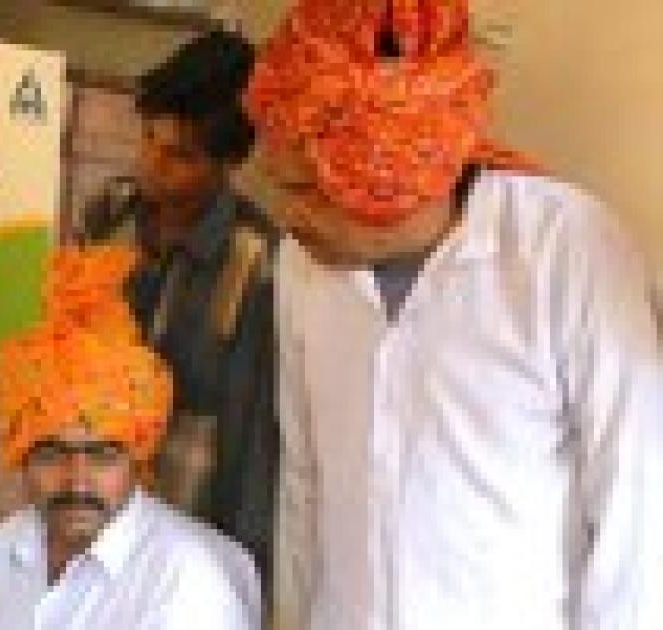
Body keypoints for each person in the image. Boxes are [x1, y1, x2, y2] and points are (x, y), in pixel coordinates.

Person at [242, 1, 663, 628]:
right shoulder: (303, 265)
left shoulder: (564, 248)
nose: (287, 214)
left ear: (388, 184)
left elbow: (638, 504)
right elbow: (304, 483)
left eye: (305, 190)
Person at [77, 28, 280, 584]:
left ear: (228, 163)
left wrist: (239, 580)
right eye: (147, 138)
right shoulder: (107, 216)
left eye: (179, 156)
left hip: (185, 547)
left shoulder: (255, 264)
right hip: (92, 520)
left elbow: (250, 450)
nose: (151, 164)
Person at [0, 246, 262, 630]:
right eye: (52, 453)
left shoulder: (190, 584)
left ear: (137, 460)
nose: (77, 481)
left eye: (103, 455)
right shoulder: (6, 548)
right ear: (20, 455)